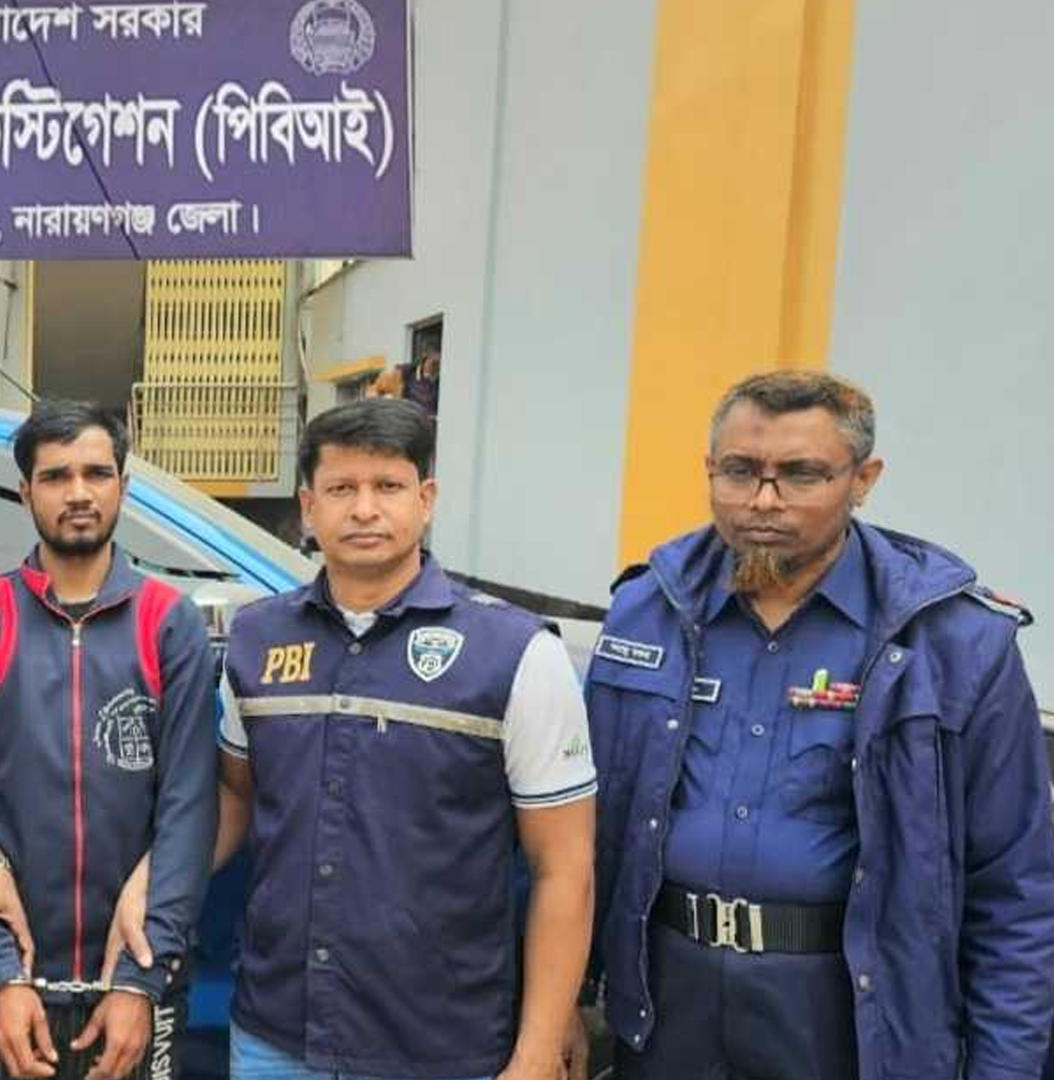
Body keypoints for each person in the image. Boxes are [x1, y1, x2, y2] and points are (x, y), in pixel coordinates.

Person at [585, 371, 1054, 1080]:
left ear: (863, 480)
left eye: (801, 475)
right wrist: (564, 1000)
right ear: (709, 469)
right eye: (740, 471)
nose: (763, 500)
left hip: (850, 1019)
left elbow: (1014, 888)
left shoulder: (954, 643)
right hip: (666, 1008)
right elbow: (581, 834)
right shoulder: (644, 612)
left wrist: (1004, 1068)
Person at [214, 396, 596, 1080]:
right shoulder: (255, 640)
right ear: (308, 507)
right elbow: (233, 797)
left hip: (443, 1046)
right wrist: (145, 889)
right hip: (276, 1037)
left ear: (426, 500)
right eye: (341, 489)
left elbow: (564, 867)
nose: (364, 509)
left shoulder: (515, 653)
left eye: (387, 486)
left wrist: (538, 1050)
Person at [0, 400, 218, 1080]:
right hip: (8, 986)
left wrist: (142, 978)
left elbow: (190, 807)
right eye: (55, 476)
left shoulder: (169, 623)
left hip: (134, 986)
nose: (78, 493)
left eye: (96, 474)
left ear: (123, 487)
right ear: (25, 492)